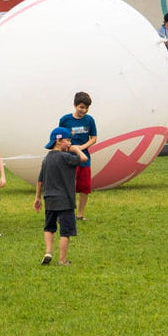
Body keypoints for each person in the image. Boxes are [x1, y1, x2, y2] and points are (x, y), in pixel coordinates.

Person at [34, 126, 87, 266]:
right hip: (65, 201)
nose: (69, 143)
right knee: (65, 231)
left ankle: (48, 252)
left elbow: (40, 180)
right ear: (58, 141)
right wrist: (76, 149)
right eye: (68, 140)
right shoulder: (66, 157)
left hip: (49, 199)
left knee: (49, 227)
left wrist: (37, 198)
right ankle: (62, 260)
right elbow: (83, 158)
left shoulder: (46, 159)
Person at [59, 91, 97, 221]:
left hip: (84, 158)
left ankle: (80, 214)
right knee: (66, 186)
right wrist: (69, 148)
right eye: (81, 107)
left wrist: (81, 148)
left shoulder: (90, 120)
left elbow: (93, 138)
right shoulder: (65, 120)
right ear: (75, 105)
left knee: (84, 187)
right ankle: (64, 213)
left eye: (86, 108)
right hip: (68, 158)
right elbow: (60, 138)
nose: (84, 110)